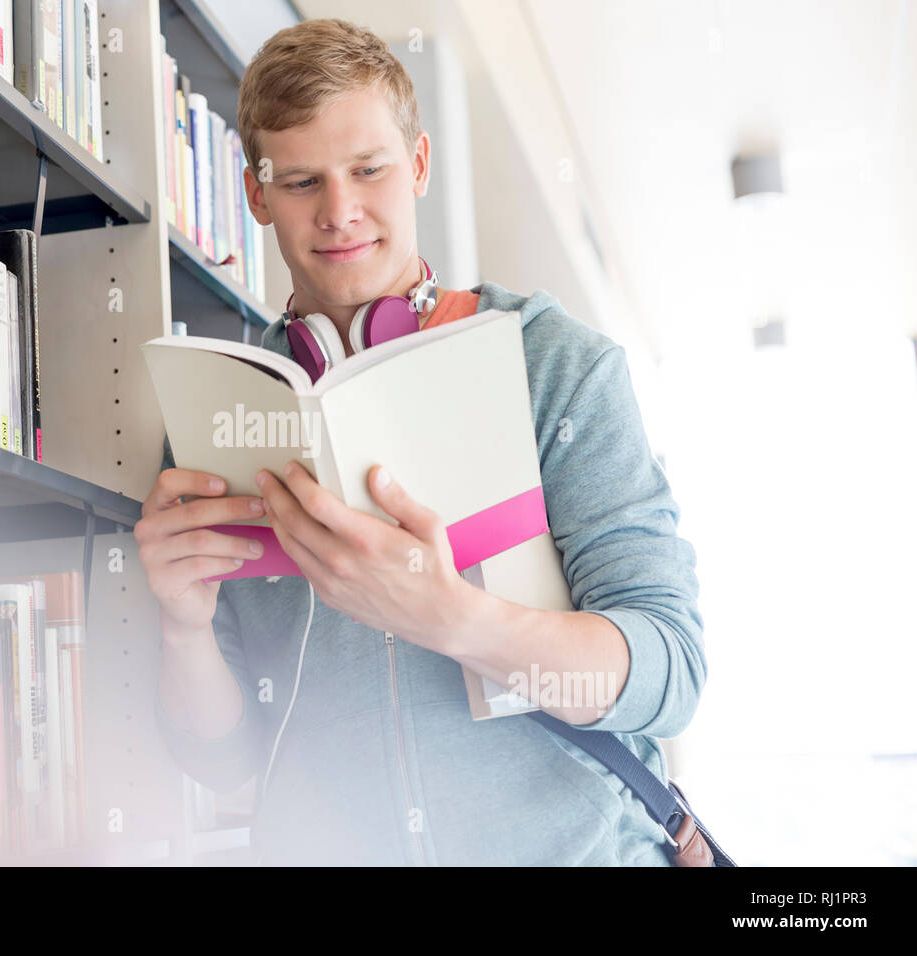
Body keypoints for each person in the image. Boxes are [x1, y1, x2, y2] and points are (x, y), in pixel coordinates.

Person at [135, 18, 704, 865]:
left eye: (369, 170)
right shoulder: (216, 414)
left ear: (420, 165)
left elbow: (668, 676)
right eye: (300, 182)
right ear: (256, 195)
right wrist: (182, 629)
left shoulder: (554, 365)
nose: (340, 212)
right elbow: (222, 760)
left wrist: (458, 620)